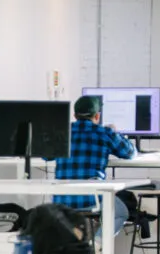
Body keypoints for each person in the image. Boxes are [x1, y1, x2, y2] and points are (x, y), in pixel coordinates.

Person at [53, 95, 136, 233]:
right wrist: (115, 132)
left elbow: (46, 156)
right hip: (92, 200)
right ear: (97, 116)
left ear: (74, 115)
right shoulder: (104, 133)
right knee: (121, 213)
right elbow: (130, 153)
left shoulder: (61, 133)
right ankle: (98, 243)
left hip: (61, 200)